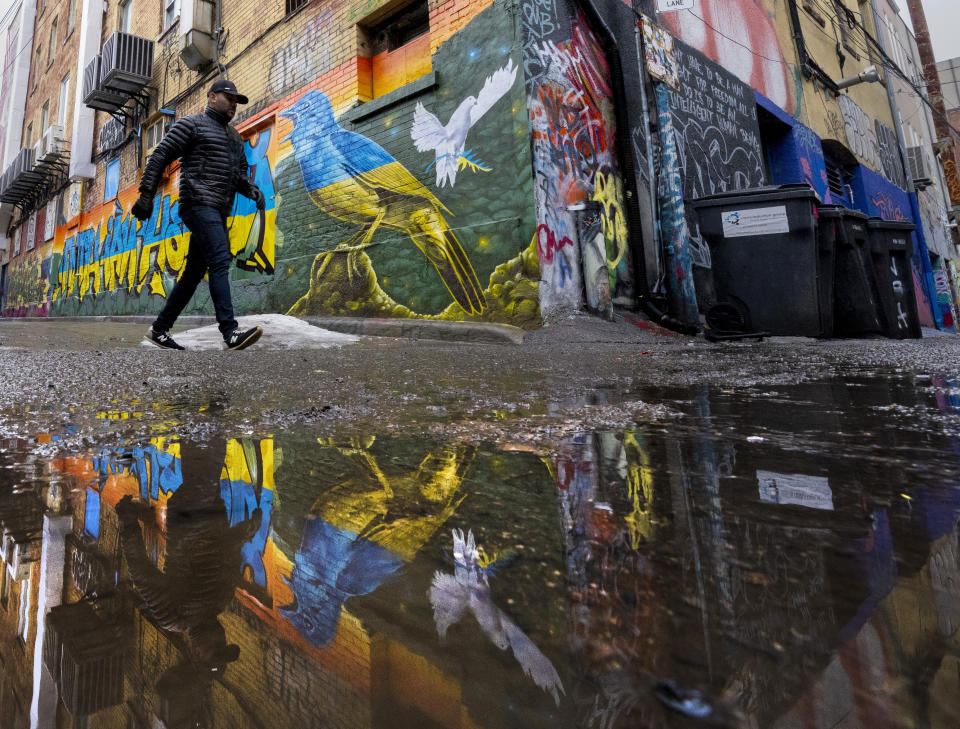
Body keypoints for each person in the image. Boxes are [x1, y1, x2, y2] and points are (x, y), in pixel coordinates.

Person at [133, 79, 265, 350]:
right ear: (212, 96)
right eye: (229, 98)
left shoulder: (233, 138)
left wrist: (251, 189)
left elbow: (237, 175)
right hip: (197, 203)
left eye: (236, 101)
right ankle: (230, 332)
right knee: (220, 258)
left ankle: (160, 329)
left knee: (193, 273)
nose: (233, 104)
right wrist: (146, 196)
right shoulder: (191, 124)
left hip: (218, 209)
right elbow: (160, 156)